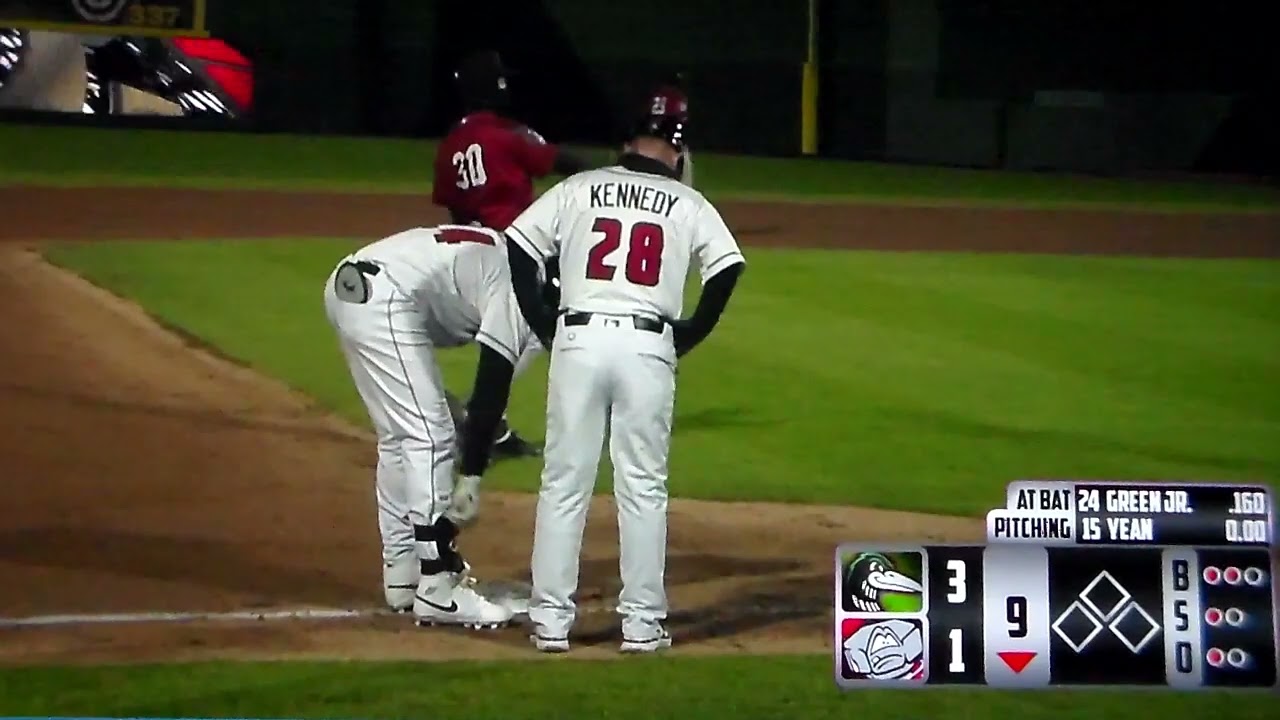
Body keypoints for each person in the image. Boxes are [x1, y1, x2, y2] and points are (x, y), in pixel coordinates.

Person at [503, 91, 747, 653]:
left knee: (564, 483)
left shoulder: (580, 187)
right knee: (642, 487)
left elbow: (518, 245)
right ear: (678, 150)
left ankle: (550, 622)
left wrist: (543, 321)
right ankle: (641, 625)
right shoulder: (687, 202)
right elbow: (726, 268)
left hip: (579, 340)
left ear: (628, 140)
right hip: (646, 346)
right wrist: (691, 331)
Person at [322, 223, 543, 628]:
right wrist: (472, 473)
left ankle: (403, 573)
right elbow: (491, 388)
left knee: (398, 439)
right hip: (385, 298)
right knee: (431, 436)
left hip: (351, 288)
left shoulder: (513, 260)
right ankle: (439, 586)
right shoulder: (521, 288)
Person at [433, 49, 592, 462]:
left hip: (470, 252)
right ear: (495, 87)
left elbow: (453, 207)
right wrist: (609, 176)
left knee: (513, 330)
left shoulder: (450, 143)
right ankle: (478, 413)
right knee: (539, 326)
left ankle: (491, 424)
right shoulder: (507, 133)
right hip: (514, 249)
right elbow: (561, 160)